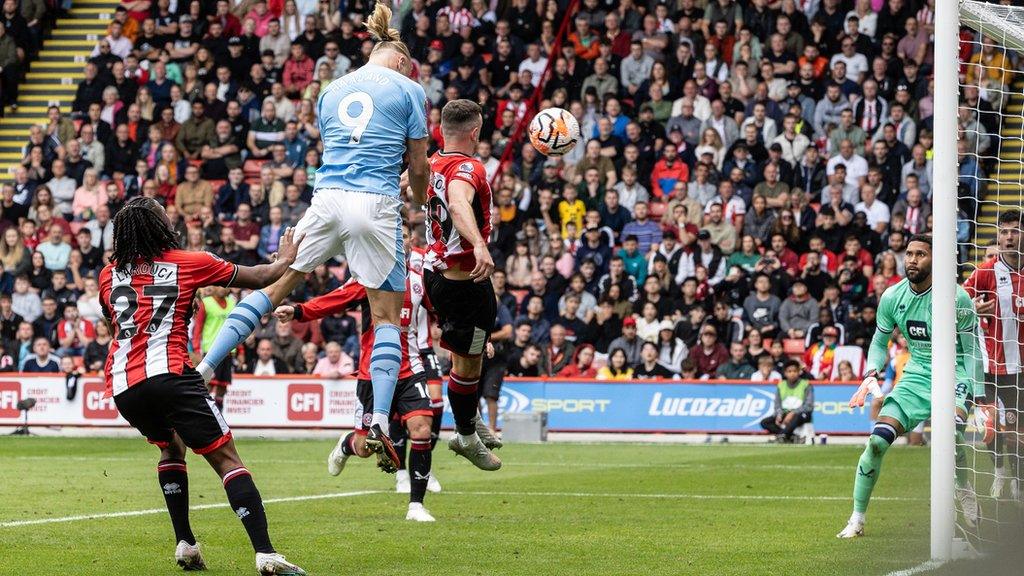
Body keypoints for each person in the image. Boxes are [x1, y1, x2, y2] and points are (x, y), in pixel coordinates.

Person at [196, 3, 430, 475]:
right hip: (375, 204)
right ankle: (381, 419)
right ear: (402, 60)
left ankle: (202, 370)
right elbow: (419, 167)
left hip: (326, 199)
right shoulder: (410, 89)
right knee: (386, 315)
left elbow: (343, 147)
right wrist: (419, 198)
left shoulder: (329, 91)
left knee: (272, 288)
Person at [98, 197, 305, 574]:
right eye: (164, 213)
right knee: (227, 460)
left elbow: (116, 320)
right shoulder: (189, 261)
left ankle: (186, 545)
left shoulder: (108, 275)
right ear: (159, 225)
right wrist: (286, 259)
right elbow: (261, 277)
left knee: (170, 449)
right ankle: (266, 553)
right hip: (171, 373)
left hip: (124, 383)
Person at [274, 246, 439, 518]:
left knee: (421, 429)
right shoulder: (371, 279)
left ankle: (416, 505)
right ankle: (346, 444)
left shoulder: (421, 281)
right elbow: (336, 300)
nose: (403, 244)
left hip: (410, 368)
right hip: (371, 373)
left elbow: (446, 311)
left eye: (406, 238)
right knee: (364, 448)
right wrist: (299, 311)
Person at [838, 235, 982, 538]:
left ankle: (964, 487)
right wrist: (871, 373)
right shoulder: (892, 296)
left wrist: (976, 393)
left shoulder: (958, 298)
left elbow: (970, 351)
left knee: (950, 436)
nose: (913, 260)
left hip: (955, 373)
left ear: (935, 260)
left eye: (921, 254)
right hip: (916, 375)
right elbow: (879, 342)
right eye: (909, 254)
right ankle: (857, 519)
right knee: (876, 442)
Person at [421, 99, 501, 472]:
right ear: (475, 132)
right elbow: (457, 203)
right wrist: (479, 243)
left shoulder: (433, 161)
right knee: (469, 364)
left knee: (468, 353)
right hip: (463, 285)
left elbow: (411, 182)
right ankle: (465, 435)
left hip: (437, 275)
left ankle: (470, 418)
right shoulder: (469, 167)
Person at [964, 210, 1024, 498]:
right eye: (1004, 231)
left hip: (1018, 369)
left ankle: (1015, 478)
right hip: (988, 367)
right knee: (989, 428)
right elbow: (956, 303)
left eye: (1014, 231)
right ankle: (999, 472)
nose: (1008, 237)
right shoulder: (986, 271)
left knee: (1015, 432)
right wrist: (970, 309)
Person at [190, 286, 236, 410]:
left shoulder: (232, 303)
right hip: (211, 350)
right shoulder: (206, 303)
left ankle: (219, 415)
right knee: (207, 385)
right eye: (220, 285)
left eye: (226, 286)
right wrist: (196, 349)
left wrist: (240, 350)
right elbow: (197, 328)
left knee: (223, 386)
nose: (223, 288)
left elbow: (237, 327)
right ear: (214, 287)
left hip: (228, 351)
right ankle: (202, 413)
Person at [760, 359, 813, 442]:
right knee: (765, 422)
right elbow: (777, 405)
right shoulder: (781, 385)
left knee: (798, 416)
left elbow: (809, 406)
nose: (792, 373)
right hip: (785, 413)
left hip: (801, 414)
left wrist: (793, 413)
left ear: (799, 372)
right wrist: (779, 415)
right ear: (785, 373)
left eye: (795, 371)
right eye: (789, 371)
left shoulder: (806, 385)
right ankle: (792, 437)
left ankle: (782, 436)